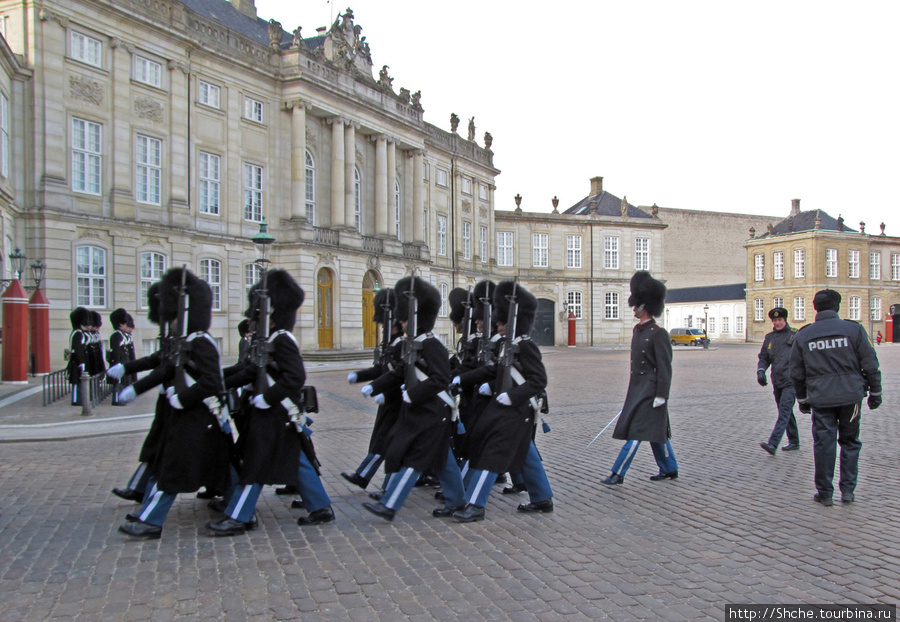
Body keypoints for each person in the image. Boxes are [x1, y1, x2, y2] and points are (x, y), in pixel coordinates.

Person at [209, 269, 333, 536]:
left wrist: (267, 397)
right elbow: (250, 371)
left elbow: (295, 377)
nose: (252, 321)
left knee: (255, 464)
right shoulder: (267, 341)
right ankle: (321, 507)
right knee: (297, 460)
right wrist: (217, 380)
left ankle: (239, 516)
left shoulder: (282, 340)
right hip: (271, 411)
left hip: (277, 411)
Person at [118, 268, 233, 539]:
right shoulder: (185, 342)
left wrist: (182, 398)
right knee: (219, 468)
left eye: (172, 317)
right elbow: (166, 369)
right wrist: (136, 388)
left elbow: (212, 383)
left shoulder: (202, 343)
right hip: (190, 416)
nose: (169, 323)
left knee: (174, 470)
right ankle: (240, 507)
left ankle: (151, 521)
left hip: (201, 416)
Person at [362, 275, 466, 521]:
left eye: (406, 319)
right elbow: (399, 372)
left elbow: (441, 379)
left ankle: (390, 504)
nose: (402, 323)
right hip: (421, 410)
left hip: (433, 411)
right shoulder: (414, 345)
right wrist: (374, 386)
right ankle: (458, 501)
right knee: (444, 460)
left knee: (415, 459)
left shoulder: (433, 346)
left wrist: (412, 394)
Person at [452, 280, 553, 523]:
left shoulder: (526, 346)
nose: (496, 325)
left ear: (513, 322)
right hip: (510, 409)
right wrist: (460, 379)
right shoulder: (507, 345)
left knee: (491, 452)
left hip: (517, 410)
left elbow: (539, 380)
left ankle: (476, 505)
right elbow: (492, 371)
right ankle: (542, 498)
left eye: (501, 321)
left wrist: (511, 396)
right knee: (525, 453)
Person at [790, 289, 882, 506]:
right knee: (850, 442)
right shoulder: (853, 330)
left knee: (824, 443)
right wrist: (876, 392)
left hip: (821, 398)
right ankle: (848, 490)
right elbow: (870, 363)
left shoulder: (804, 335)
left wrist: (802, 399)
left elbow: (796, 371)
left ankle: (825, 492)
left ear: (815, 308)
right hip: (851, 397)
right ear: (838, 306)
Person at [601, 271, 678, 486]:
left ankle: (618, 472)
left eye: (636, 305)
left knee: (637, 431)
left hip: (651, 390)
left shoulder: (658, 333)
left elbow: (665, 367)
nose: (633, 309)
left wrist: (662, 394)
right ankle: (670, 468)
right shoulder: (638, 330)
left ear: (644, 306)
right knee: (657, 430)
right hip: (638, 387)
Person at [343, 288, 403, 492]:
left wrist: (385, 394)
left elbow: (400, 376)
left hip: (398, 402)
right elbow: (381, 370)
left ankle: (374, 481)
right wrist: (359, 376)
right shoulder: (390, 345)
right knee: (383, 442)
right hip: (387, 402)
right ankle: (367, 477)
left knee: (388, 443)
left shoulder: (401, 345)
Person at [757, 307, 800, 455]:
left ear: (785, 320)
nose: (777, 323)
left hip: (791, 381)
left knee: (784, 412)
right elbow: (764, 357)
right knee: (785, 411)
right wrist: (761, 370)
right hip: (777, 380)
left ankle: (773, 443)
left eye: (780, 320)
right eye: (775, 320)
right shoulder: (770, 338)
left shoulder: (795, 335)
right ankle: (794, 441)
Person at [108, 309, 137, 406]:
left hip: (124, 361)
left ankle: (121, 398)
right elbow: (116, 352)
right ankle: (116, 399)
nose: (127, 326)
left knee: (124, 381)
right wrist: (117, 364)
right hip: (119, 362)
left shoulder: (122, 335)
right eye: (125, 324)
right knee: (118, 382)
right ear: (120, 324)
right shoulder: (116, 335)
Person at [67, 307, 91, 406]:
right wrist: (81, 362)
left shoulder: (80, 333)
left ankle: (79, 398)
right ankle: (75, 399)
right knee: (76, 382)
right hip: (76, 362)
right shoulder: (77, 334)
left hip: (80, 361)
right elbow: (78, 350)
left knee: (80, 382)